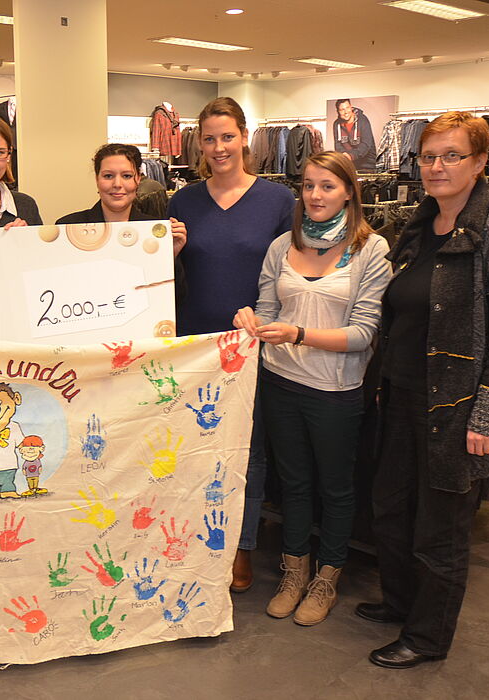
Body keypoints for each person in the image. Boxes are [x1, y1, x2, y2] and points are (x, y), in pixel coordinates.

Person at [358, 112, 489, 668]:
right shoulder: (420, 221)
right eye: (429, 156)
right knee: (391, 508)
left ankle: (428, 637)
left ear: (481, 162)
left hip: (456, 406)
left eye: (451, 155)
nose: (436, 167)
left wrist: (488, 418)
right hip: (404, 393)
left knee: (441, 527)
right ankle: (402, 603)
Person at [233, 151, 391, 626]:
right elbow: (267, 309)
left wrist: (299, 334)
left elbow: (364, 334)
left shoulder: (371, 251)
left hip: (335, 392)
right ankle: (293, 571)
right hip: (280, 381)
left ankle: (327, 577)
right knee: (295, 485)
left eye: (327, 186)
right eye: (308, 186)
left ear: (348, 192)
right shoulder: (283, 246)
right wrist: (250, 321)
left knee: (336, 488)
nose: (316, 195)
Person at [168, 97, 296, 593]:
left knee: (248, 451)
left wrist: (265, 321)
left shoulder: (278, 202)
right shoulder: (184, 202)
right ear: (198, 144)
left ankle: (240, 547)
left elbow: (292, 275)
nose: (219, 147)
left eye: (227, 136)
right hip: (195, 346)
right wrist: (173, 252)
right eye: (209, 138)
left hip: (252, 347)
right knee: (195, 450)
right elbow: (171, 279)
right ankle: (196, 540)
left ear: (244, 137)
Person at [56, 142, 188, 298]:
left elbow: (177, 299)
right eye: (108, 176)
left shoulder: (154, 232)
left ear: (138, 179)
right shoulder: (67, 228)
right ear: (97, 179)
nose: (117, 184)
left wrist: (168, 255)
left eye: (126, 176)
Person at [331, 99, 376, 172]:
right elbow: (338, 144)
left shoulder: (363, 120)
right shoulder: (336, 124)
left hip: (367, 165)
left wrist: (351, 156)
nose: (346, 112)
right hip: (349, 165)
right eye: (342, 109)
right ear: (338, 111)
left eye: (347, 108)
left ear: (351, 107)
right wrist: (344, 155)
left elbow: (366, 144)